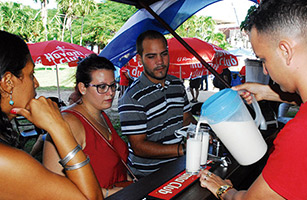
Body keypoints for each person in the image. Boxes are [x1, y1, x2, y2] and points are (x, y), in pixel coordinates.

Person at [199, 1, 307, 199]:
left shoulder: (305, 134)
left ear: (285, 50)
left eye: (263, 59)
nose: (265, 70)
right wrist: (268, 92)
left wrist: (224, 190)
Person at [0, 30, 102, 199]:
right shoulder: (6, 161)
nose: (36, 83)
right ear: (8, 82)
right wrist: (58, 126)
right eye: (31, 74)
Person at [43, 54, 131, 198]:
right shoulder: (69, 122)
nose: (111, 93)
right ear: (82, 88)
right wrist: (107, 193)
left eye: (113, 85)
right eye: (102, 87)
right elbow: (53, 183)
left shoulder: (101, 114)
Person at [118, 30, 197, 178]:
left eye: (164, 54)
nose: (160, 61)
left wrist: (199, 133)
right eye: (151, 56)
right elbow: (139, 147)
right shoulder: (131, 97)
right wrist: (183, 149)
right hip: (148, 176)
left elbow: (186, 118)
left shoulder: (176, 84)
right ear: (139, 59)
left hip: (179, 166)